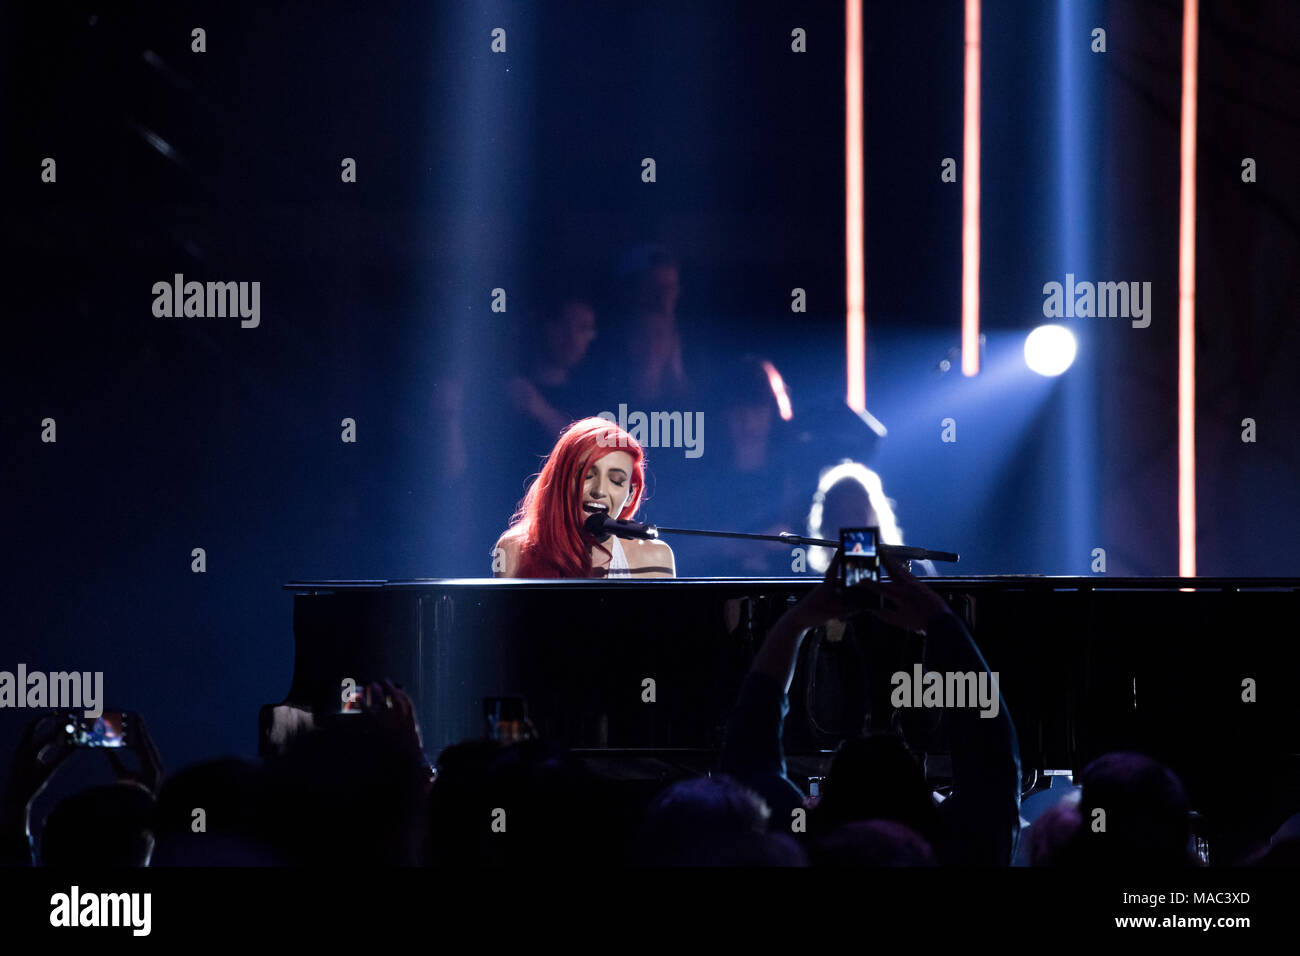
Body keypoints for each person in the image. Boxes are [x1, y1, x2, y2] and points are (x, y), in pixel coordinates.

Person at [493, 417, 675, 578]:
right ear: (561, 480)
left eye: (616, 480)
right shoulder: (513, 550)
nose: (599, 490)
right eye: (587, 474)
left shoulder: (655, 558)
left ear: (630, 494)